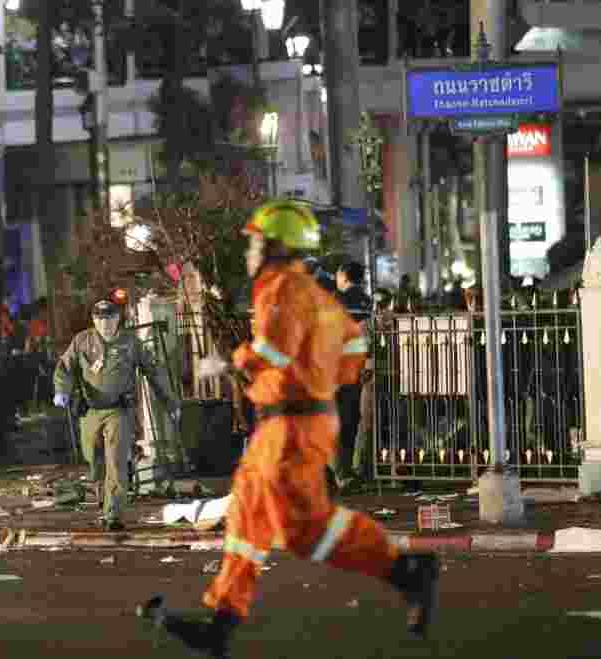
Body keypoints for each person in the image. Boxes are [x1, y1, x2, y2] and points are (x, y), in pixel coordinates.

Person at [137, 201, 439, 658]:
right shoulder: (313, 294)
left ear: (277, 246)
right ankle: (220, 622)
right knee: (246, 521)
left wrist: (233, 360)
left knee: (302, 529)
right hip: (286, 421)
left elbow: (271, 353)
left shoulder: (281, 288)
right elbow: (353, 355)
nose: (249, 252)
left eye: (256, 242)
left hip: (292, 425)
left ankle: (407, 570)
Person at [53, 291, 178, 531]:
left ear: (118, 318)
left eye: (110, 318)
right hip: (90, 411)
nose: (105, 323)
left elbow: (153, 371)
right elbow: (65, 368)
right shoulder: (82, 341)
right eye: (100, 319)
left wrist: (169, 401)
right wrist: (62, 390)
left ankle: (113, 513)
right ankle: (103, 495)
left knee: (116, 461)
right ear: (94, 320)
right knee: (94, 459)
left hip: (119, 410)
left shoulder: (130, 342)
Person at [333, 261, 372, 489]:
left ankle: (340, 474)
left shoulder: (337, 301)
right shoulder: (367, 302)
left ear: (345, 276)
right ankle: (352, 471)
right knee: (352, 420)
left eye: (338, 275)